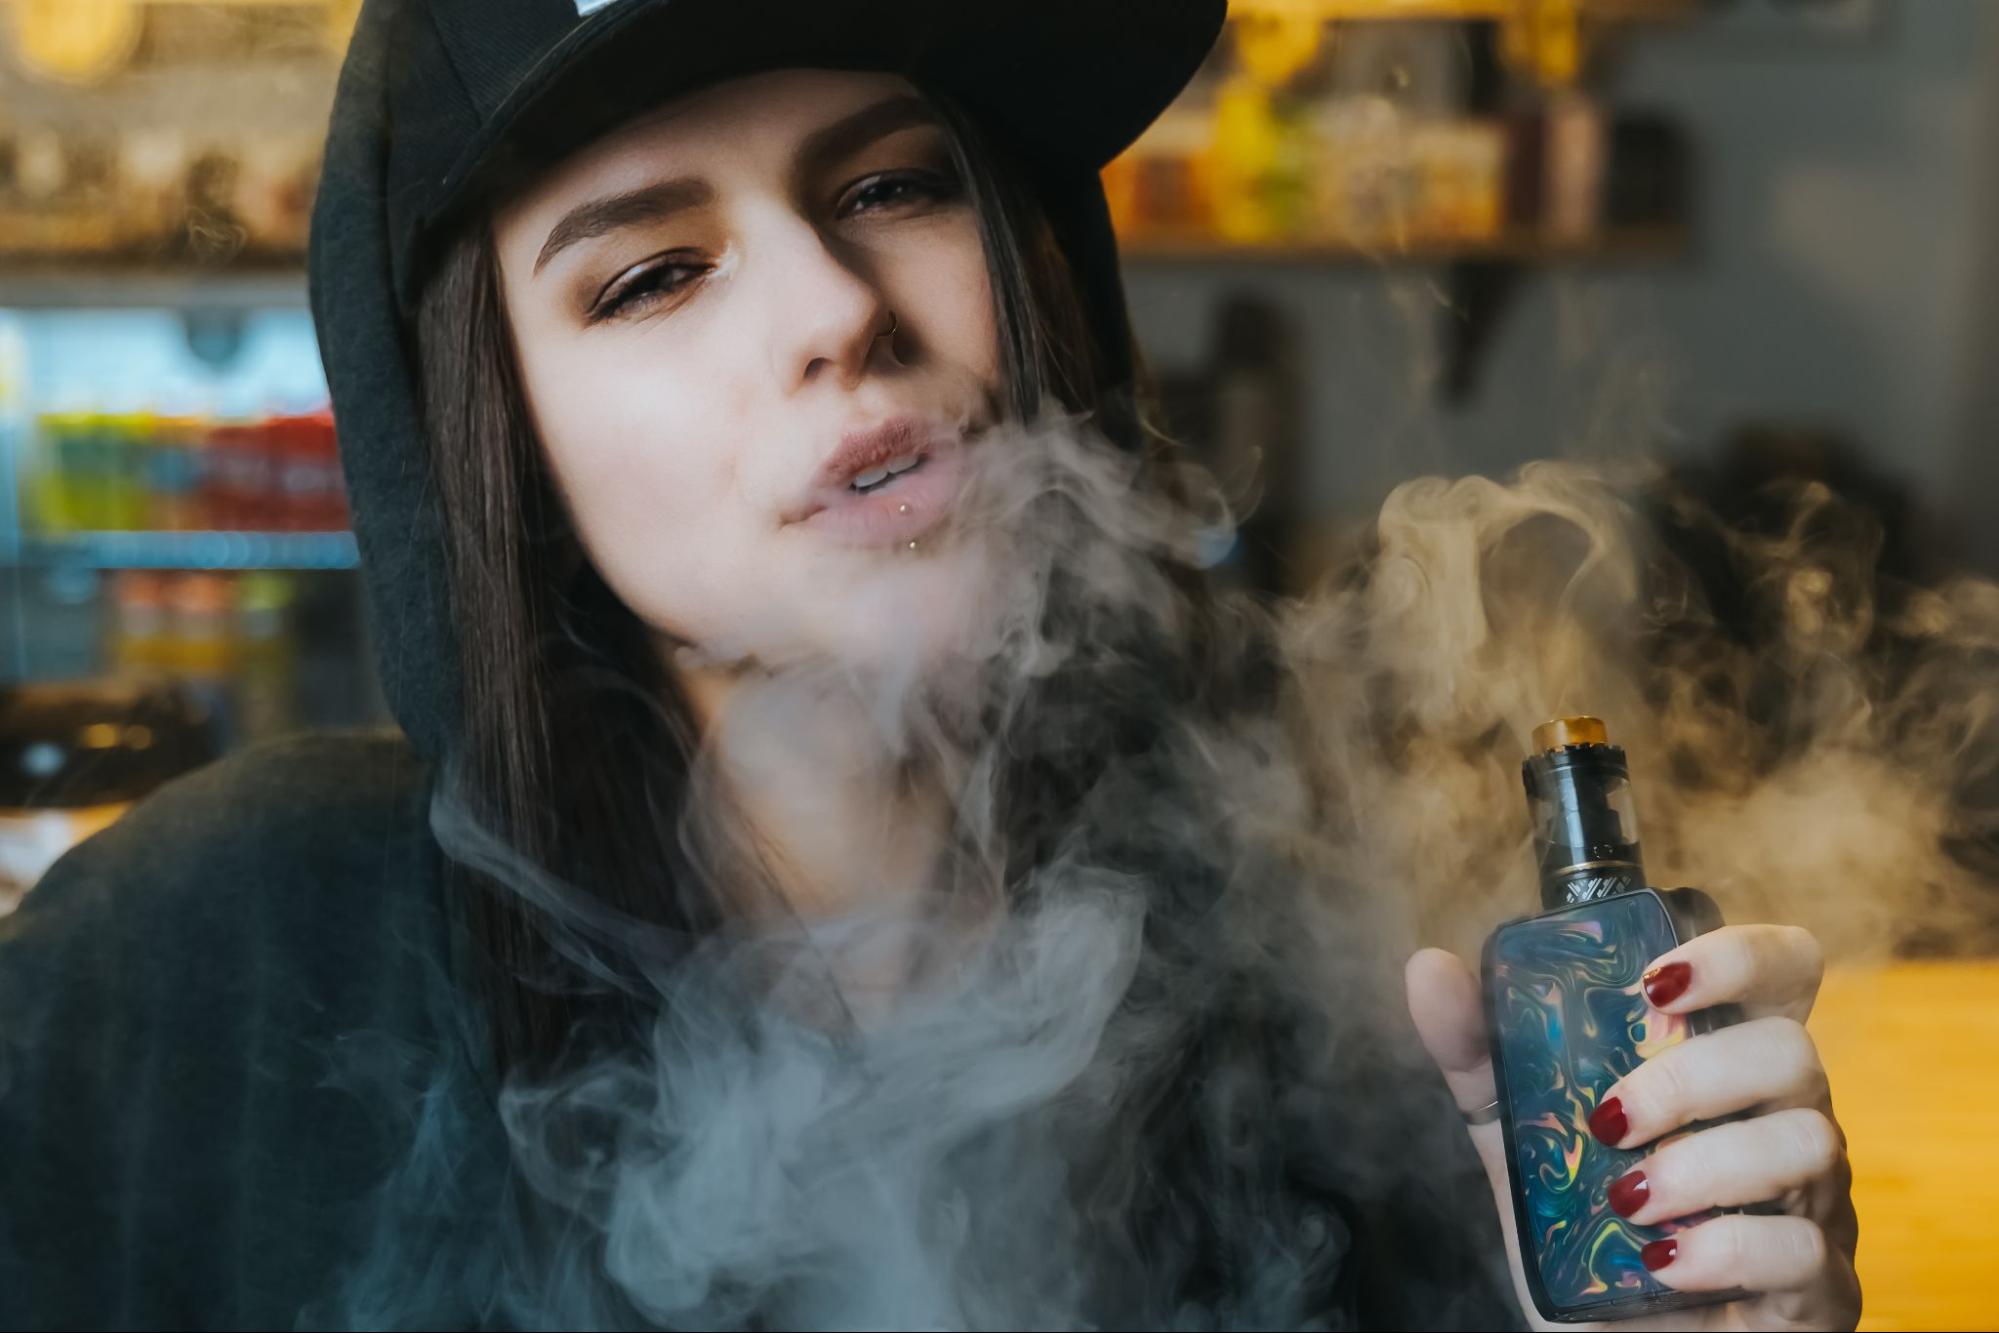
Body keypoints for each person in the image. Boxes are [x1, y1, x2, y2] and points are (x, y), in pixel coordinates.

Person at [0, 1, 1860, 1329]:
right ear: (497, 447)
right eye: (650, 274)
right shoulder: (202, 971)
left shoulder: (1359, 965)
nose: (837, 308)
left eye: (892, 185)